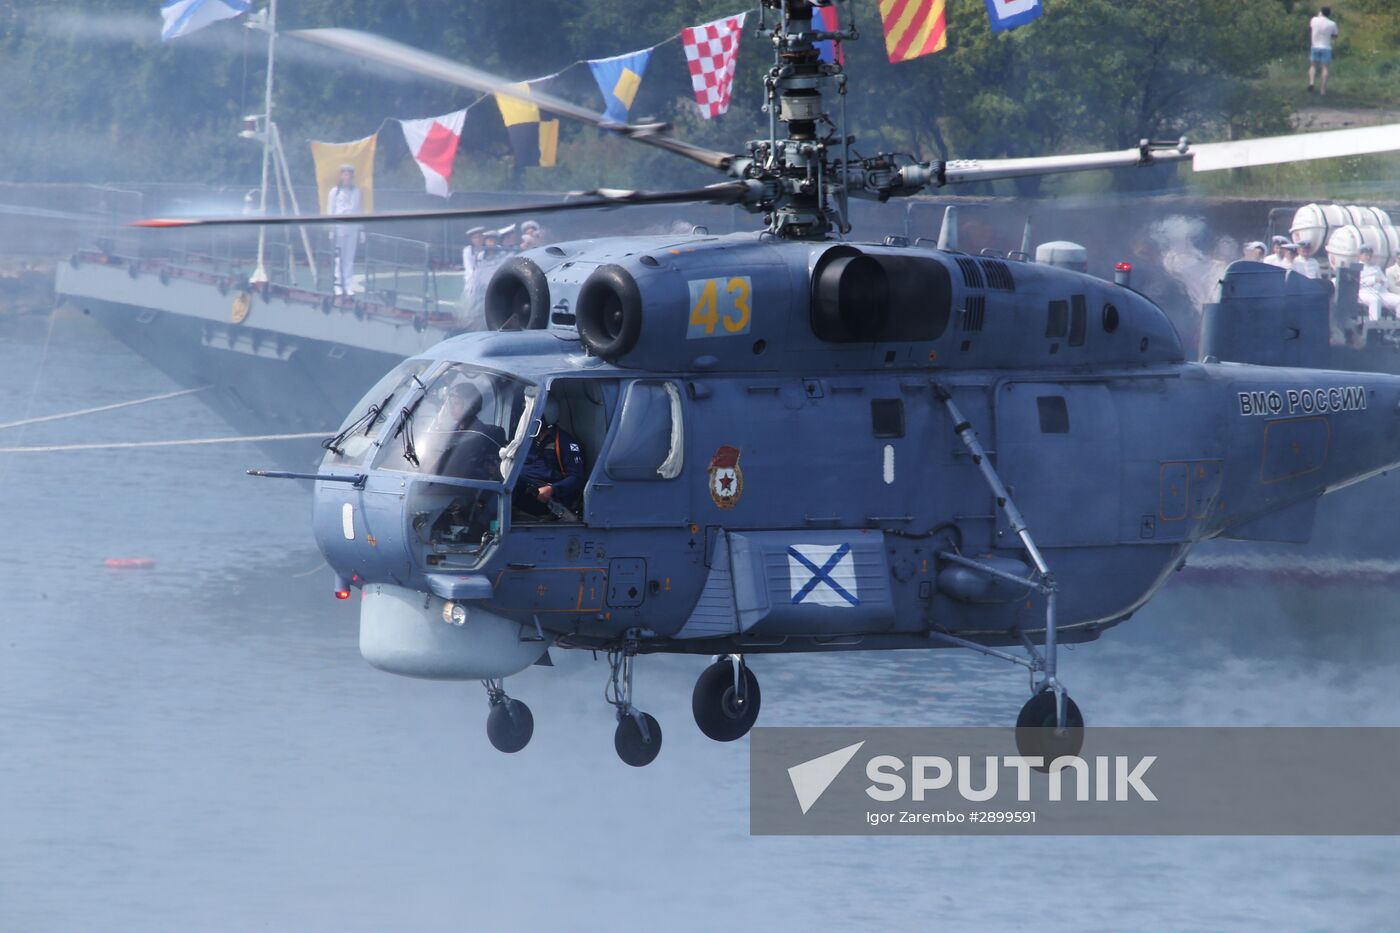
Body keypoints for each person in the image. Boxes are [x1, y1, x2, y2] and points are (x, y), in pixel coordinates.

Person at [514, 398, 585, 520]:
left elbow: (577, 477)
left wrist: (552, 489)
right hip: (520, 487)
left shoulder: (564, 441)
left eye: (533, 415)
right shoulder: (525, 440)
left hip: (542, 498)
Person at [430, 381, 507, 480]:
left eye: (456, 403)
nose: (451, 407)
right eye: (451, 403)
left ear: (470, 405)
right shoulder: (450, 433)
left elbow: (492, 471)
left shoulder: (488, 435)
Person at [326, 164, 362, 296]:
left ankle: (347, 284)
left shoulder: (356, 191)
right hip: (339, 227)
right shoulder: (335, 191)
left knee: (349, 258)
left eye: (349, 174)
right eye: (345, 174)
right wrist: (331, 229)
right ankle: (337, 285)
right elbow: (330, 210)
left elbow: (358, 210)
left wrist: (361, 228)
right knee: (338, 258)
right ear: (341, 176)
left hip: (352, 227)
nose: (347, 177)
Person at [1357, 246, 1399, 322]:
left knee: (1398, 300)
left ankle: (1398, 323)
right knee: (1375, 300)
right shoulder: (1357, 267)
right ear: (1360, 255)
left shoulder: (1376, 268)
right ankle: (1374, 324)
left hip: (1381, 292)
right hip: (1364, 293)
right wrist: (1373, 280)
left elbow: (1386, 282)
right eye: (1366, 255)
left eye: (1370, 255)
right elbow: (1358, 282)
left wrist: (1383, 282)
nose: (1368, 257)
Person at [1309, 7, 1338, 96]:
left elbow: (1311, 28)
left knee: (1313, 65)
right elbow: (1335, 36)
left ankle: (1311, 82)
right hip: (1326, 47)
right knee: (1324, 68)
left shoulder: (1314, 20)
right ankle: (1322, 90)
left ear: (1321, 12)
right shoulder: (1332, 24)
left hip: (1315, 46)